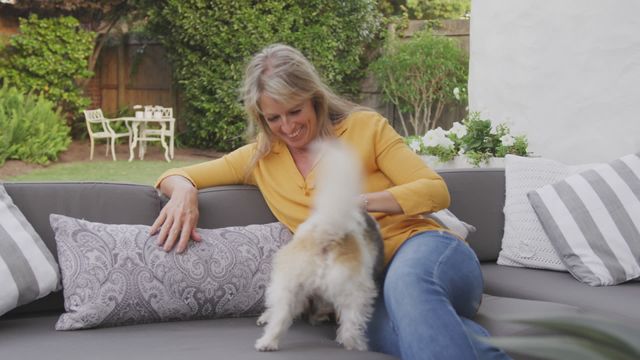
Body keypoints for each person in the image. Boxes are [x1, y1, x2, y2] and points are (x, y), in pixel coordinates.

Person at [151, 43, 509, 360]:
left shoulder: (366, 128)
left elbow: (435, 190)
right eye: (273, 118)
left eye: (294, 111)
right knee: (390, 333)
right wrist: (184, 191)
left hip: (426, 251)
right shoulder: (259, 158)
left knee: (408, 287)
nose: (287, 127)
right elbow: (177, 175)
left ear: (314, 99)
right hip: (364, 284)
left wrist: (362, 203)